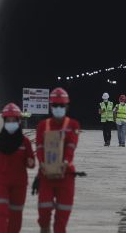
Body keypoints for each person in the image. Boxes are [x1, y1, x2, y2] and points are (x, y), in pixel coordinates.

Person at [0, 103, 35, 233]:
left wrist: (30, 162)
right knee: (2, 213)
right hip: (1, 184)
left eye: (14, 120)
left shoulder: (25, 142)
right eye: (8, 120)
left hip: (19, 185)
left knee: (16, 216)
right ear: (4, 121)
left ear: (18, 121)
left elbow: (32, 163)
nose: (11, 123)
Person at [36, 87, 81, 233]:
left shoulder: (73, 125)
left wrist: (65, 163)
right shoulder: (43, 126)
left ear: (67, 107)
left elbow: (71, 147)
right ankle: (44, 227)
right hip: (46, 174)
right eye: (55, 105)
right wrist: (42, 163)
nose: (58, 108)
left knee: (62, 216)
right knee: (44, 211)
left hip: (66, 174)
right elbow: (40, 147)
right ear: (51, 106)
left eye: (62, 105)